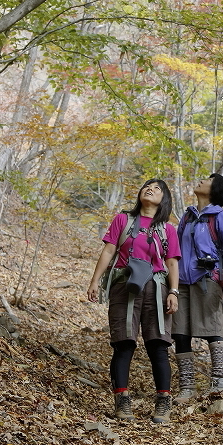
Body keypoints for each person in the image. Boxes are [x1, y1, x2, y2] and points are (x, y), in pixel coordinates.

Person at [87, 179, 181, 423]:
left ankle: (163, 401)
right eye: (147, 187)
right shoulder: (123, 220)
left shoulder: (168, 229)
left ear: (164, 199)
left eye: (157, 189)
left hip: (157, 287)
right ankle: (122, 400)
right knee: (124, 343)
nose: (150, 190)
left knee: (158, 345)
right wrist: (95, 281)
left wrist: (174, 291)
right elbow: (109, 250)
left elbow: (172, 262)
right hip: (123, 284)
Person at [172, 173, 223, 401]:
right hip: (182, 282)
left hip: (208, 279)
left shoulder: (220, 217)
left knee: (213, 331)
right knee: (180, 333)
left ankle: (219, 383)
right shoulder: (188, 217)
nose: (201, 180)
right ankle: (187, 387)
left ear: (215, 189)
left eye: (208, 180)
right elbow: (175, 250)